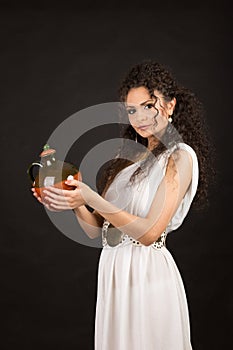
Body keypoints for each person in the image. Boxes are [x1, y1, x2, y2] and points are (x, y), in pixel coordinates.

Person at [32, 60, 214, 350]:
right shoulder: (128, 159)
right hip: (114, 274)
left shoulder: (180, 157)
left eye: (148, 106)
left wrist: (92, 197)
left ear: (169, 106)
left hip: (147, 275)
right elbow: (98, 232)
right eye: (131, 110)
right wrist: (75, 199)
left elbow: (149, 233)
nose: (139, 117)